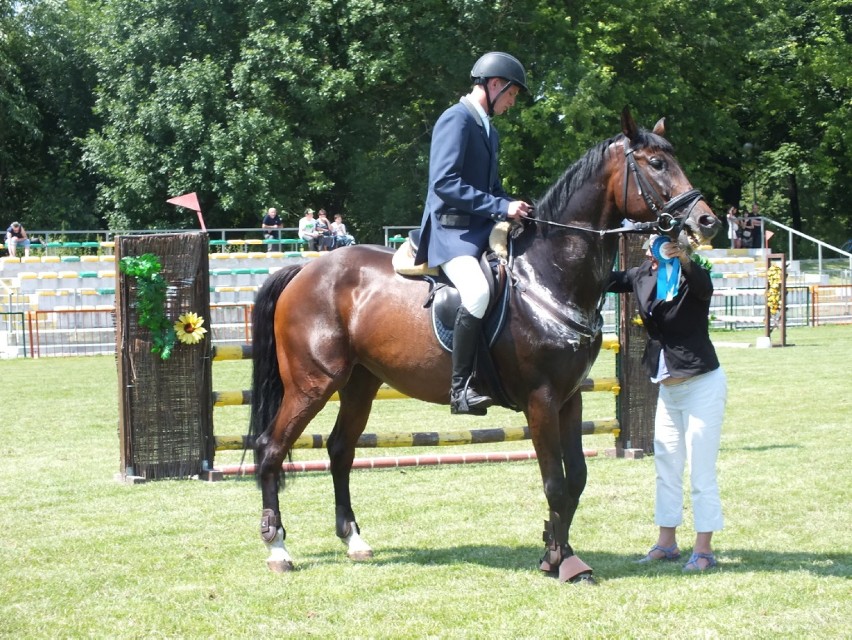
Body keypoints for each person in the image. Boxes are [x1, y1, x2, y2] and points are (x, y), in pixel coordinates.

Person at [414, 51, 532, 415]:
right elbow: (446, 184)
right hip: (451, 234)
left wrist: (515, 206)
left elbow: (493, 189)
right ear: (495, 84)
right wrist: (500, 208)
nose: (512, 103)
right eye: (512, 94)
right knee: (478, 292)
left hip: (478, 233)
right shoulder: (457, 119)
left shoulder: (488, 131)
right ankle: (460, 388)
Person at [608, 235, 727, 572]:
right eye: (650, 246)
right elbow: (608, 279)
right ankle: (666, 543)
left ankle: (703, 550)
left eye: (659, 245)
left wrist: (685, 258)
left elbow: (704, 286)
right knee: (666, 468)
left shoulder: (691, 276)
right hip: (668, 388)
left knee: (701, 472)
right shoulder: (643, 274)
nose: (651, 251)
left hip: (702, 384)